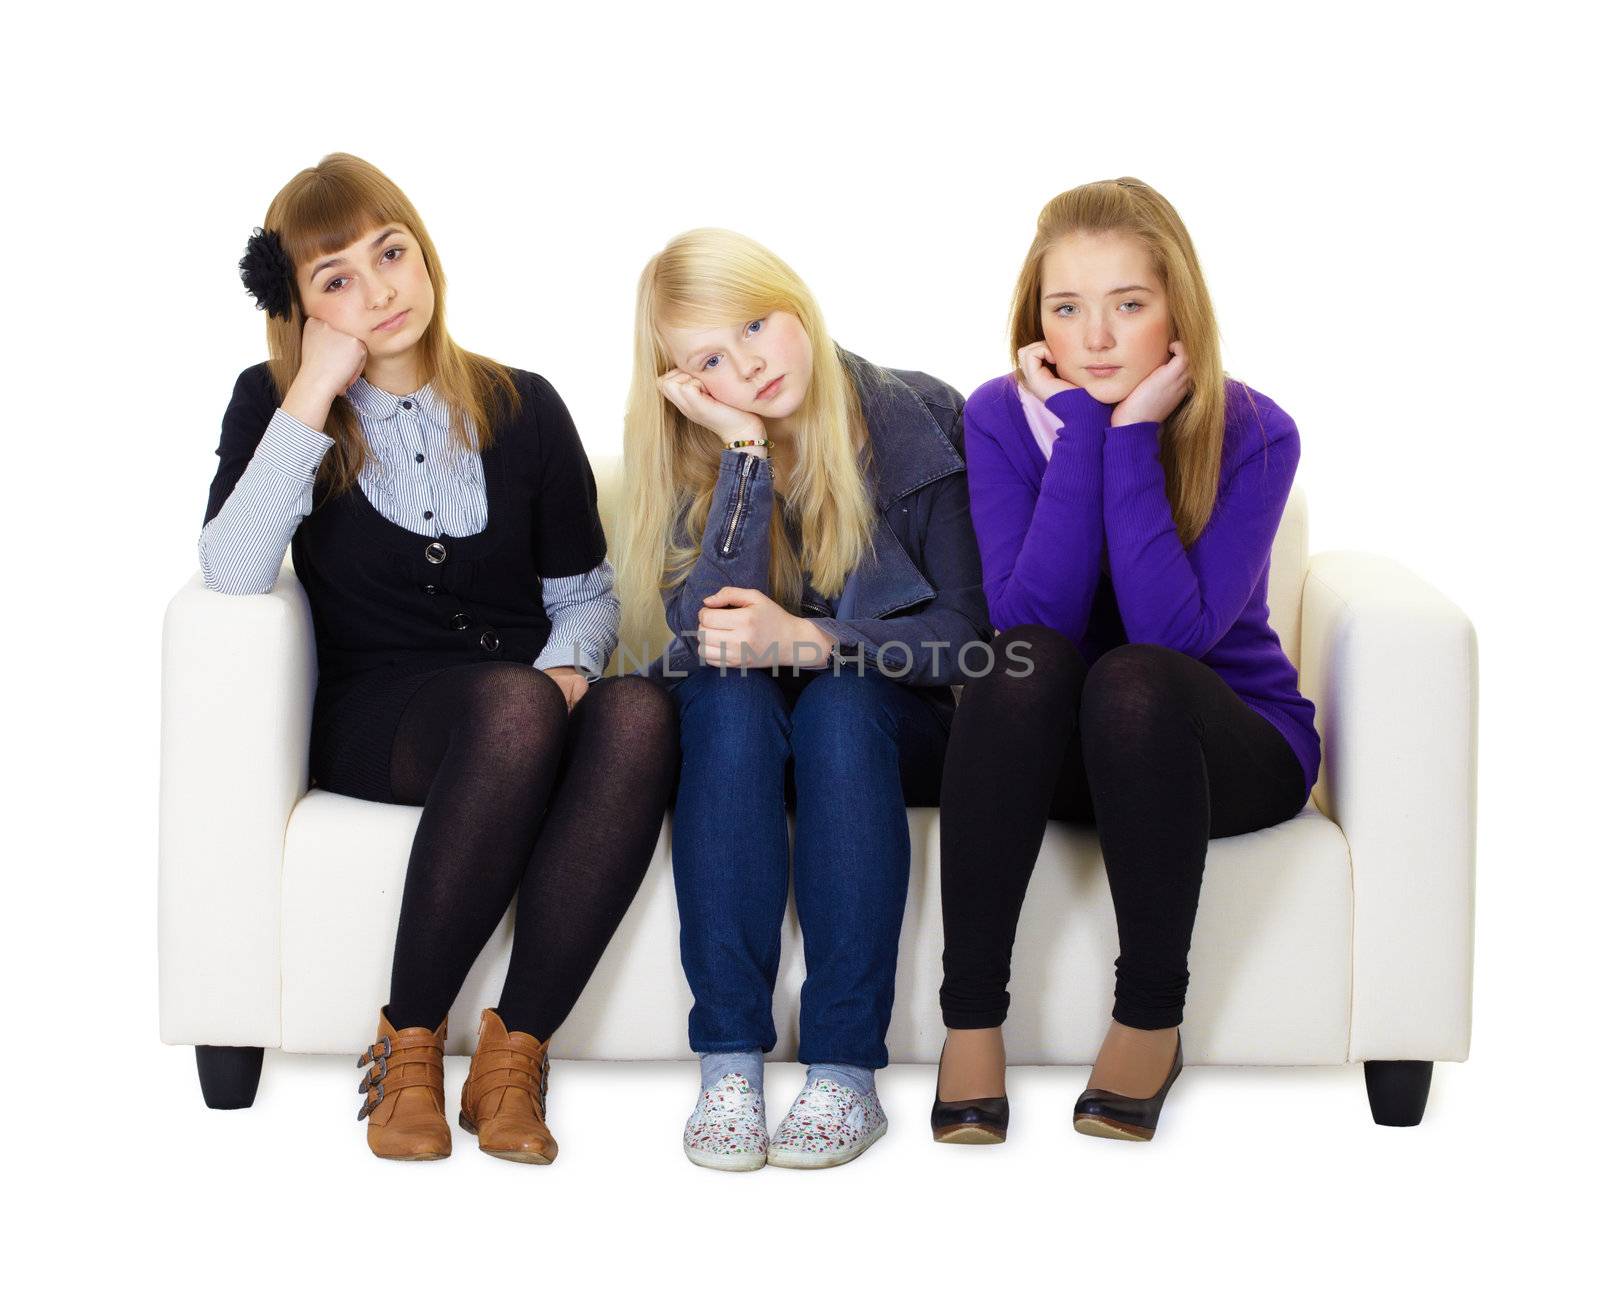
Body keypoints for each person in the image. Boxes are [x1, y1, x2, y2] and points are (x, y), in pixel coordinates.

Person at [200, 153, 677, 1164]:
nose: (378, 292)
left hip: (523, 694)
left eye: (392, 254)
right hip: (384, 714)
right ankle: (407, 1048)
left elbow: (584, 594)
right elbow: (234, 571)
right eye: (337, 279)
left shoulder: (522, 405)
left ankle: (513, 1060)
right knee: (512, 710)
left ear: (426, 257)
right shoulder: (274, 403)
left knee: (638, 711)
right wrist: (316, 386)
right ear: (301, 306)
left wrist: (567, 669)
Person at [933, 177, 1320, 1144]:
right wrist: (1085, 438)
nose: (1097, 339)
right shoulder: (997, 416)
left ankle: (1151, 1015)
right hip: (1066, 748)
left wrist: (1136, 432)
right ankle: (970, 1018)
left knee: (1132, 679)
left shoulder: (1258, 431)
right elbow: (1033, 617)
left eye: (1129, 306)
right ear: (1038, 326)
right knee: (1021, 659)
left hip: (1223, 745)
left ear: (1178, 314)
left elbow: (1171, 637)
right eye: (1068, 309)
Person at [617, 228, 989, 1170]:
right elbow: (711, 634)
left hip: (885, 718)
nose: (745, 364)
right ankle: (730, 1062)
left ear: (798, 305)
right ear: (683, 383)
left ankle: (843, 1070)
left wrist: (817, 639)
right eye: (708, 359)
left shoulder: (918, 416)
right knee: (731, 705)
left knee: (839, 702)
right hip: (746, 723)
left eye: (755, 324)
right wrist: (743, 452)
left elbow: (968, 642)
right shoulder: (698, 456)